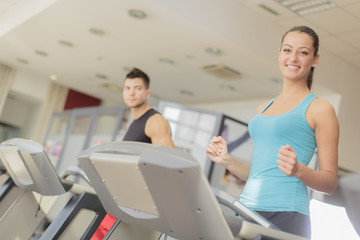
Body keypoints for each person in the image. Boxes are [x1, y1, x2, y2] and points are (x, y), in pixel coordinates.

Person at [206, 26, 339, 239]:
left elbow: (330, 183)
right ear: (279, 54)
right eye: (287, 50)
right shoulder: (262, 109)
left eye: (303, 52)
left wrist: (298, 170)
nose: (293, 58)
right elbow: (258, 173)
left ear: (315, 59)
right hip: (246, 210)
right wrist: (226, 161)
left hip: (287, 215)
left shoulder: (320, 109)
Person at [91, 67, 175, 239]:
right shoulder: (136, 122)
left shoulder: (155, 121)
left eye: (137, 88)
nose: (131, 93)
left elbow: (171, 165)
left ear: (147, 92)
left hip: (139, 204)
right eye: (127, 88)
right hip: (123, 197)